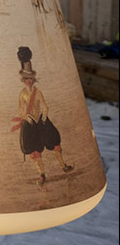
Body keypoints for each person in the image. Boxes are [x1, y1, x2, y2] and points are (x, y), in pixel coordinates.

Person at [15, 48, 72, 186]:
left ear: (33, 79)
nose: (28, 81)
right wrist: (26, 116)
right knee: (34, 150)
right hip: (30, 122)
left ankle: (63, 164)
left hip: (41, 119)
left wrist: (45, 116)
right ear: (23, 80)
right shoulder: (22, 94)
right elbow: (20, 109)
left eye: (30, 78)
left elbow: (45, 106)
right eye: (26, 79)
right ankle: (41, 174)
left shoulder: (38, 92)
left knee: (54, 143)